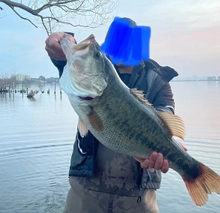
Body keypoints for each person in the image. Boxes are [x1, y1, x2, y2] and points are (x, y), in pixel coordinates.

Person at [45, 18, 186, 213]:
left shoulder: (157, 80)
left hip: (139, 199)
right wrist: (64, 40)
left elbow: (167, 116)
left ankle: (194, 174)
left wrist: (172, 145)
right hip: (85, 192)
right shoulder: (92, 66)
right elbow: (63, 57)